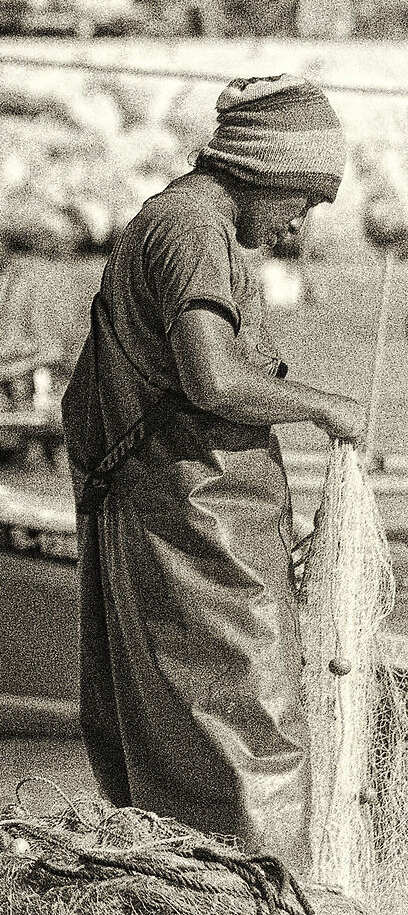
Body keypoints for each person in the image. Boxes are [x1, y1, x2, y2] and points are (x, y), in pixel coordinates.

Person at [63, 74, 361, 866]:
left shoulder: (185, 225)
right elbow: (212, 379)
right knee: (248, 741)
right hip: (194, 536)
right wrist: (328, 407)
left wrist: (281, 523)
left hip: (201, 526)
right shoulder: (191, 230)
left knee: (185, 746)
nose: (301, 223)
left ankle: (214, 909)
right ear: (264, 168)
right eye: (304, 198)